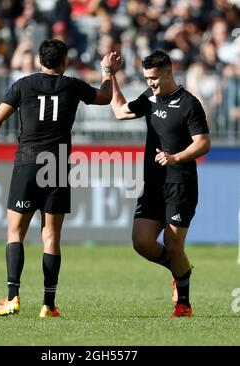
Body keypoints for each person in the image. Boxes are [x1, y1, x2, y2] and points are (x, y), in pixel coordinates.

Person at [0, 39, 118, 318]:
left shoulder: (23, 85)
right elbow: (105, 98)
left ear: (40, 59)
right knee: (51, 236)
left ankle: (12, 297)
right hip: (56, 165)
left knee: (15, 232)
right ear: (64, 60)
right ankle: (49, 305)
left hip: (28, 162)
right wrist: (107, 71)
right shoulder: (72, 85)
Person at [110, 50, 210, 317]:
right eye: (146, 78)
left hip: (180, 184)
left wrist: (176, 157)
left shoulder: (189, 103)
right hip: (152, 184)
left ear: (168, 72)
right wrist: (111, 75)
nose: (150, 83)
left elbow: (203, 143)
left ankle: (184, 304)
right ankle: (180, 270)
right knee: (141, 242)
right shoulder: (149, 98)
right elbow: (120, 112)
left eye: (154, 78)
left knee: (174, 244)